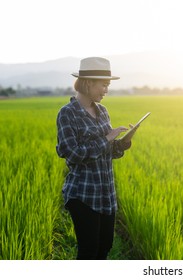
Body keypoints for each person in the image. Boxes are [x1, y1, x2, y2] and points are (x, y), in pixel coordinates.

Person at [56, 57, 137, 259]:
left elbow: (108, 152)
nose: (106, 90)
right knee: (89, 250)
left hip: (105, 193)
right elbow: (73, 154)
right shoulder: (67, 114)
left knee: (105, 247)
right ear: (89, 82)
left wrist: (123, 143)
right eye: (104, 85)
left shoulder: (102, 111)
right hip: (83, 195)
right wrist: (107, 138)